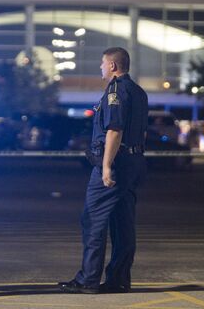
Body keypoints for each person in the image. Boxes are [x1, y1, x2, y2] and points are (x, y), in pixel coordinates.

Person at [59, 47, 148, 294]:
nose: (100, 67)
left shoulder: (116, 91)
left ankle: (88, 279)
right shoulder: (139, 92)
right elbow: (142, 132)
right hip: (134, 162)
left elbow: (115, 130)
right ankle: (119, 279)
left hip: (116, 164)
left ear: (112, 66)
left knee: (93, 220)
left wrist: (107, 166)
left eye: (102, 63)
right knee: (123, 223)